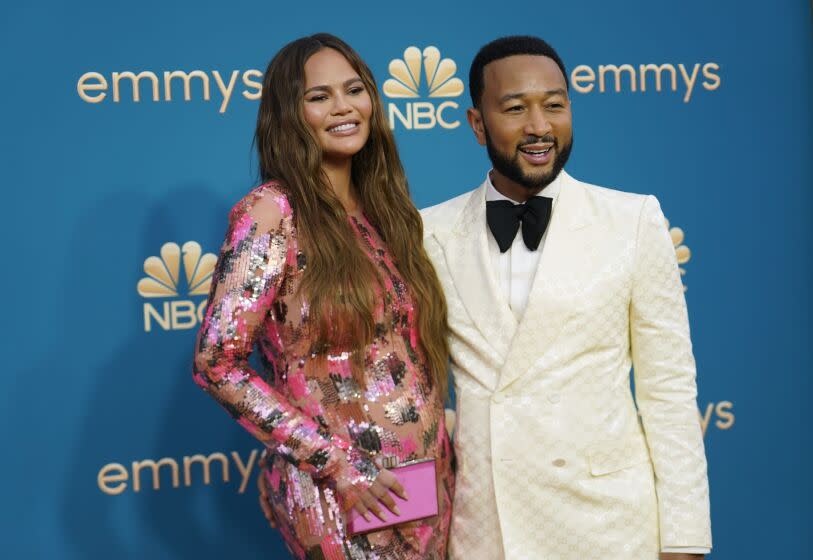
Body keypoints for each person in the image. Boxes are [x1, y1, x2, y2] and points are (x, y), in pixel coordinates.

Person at [421, 35, 712, 559]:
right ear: (477, 123)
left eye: (554, 105)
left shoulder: (633, 221)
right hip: (487, 532)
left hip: (610, 529)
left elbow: (668, 392)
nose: (539, 126)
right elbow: (408, 401)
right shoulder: (428, 233)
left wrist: (685, 540)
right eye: (515, 108)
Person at [192, 33, 454, 560]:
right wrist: (339, 464)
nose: (343, 106)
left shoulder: (385, 210)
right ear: (290, 114)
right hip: (343, 492)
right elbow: (216, 362)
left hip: (425, 483)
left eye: (354, 89)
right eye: (319, 96)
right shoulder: (271, 212)